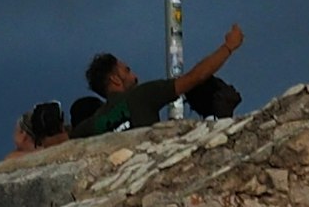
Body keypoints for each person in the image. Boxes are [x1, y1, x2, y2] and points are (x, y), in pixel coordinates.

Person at [69, 23, 246, 136]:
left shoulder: (90, 127)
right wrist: (228, 47)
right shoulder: (142, 96)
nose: (135, 76)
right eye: (127, 70)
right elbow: (195, 77)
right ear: (115, 79)